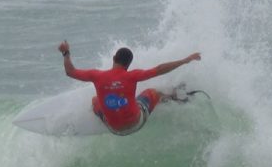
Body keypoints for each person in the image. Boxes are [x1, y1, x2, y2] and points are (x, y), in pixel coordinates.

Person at [57, 40, 201, 135]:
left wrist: (66, 53)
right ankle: (175, 98)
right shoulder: (132, 76)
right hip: (136, 123)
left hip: (113, 129)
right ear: (128, 64)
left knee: (95, 100)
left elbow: (70, 72)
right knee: (152, 93)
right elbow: (160, 68)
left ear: (114, 58)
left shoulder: (97, 76)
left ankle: (103, 115)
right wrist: (185, 60)